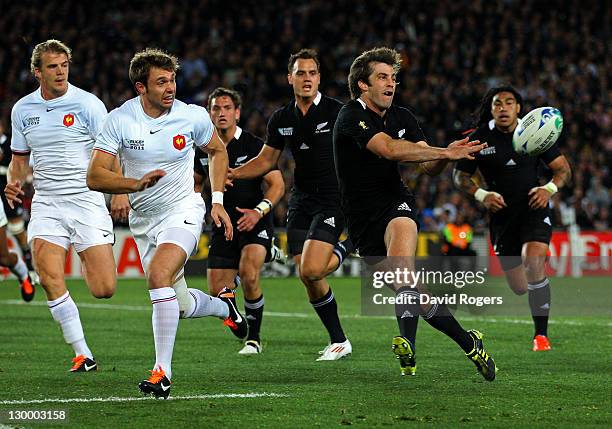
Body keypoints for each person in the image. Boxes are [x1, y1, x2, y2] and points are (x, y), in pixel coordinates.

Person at [87, 48, 246, 399]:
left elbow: (217, 152)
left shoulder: (190, 116)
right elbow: (95, 175)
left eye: (172, 79)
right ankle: (224, 307)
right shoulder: (120, 120)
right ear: (141, 87)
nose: (170, 87)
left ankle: (162, 373)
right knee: (181, 303)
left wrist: (216, 201)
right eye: (161, 82)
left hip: (183, 209)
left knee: (158, 276)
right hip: (145, 221)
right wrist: (129, 187)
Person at [333, 47, 496, 380]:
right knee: (418, 295)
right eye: (382, 77)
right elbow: (389, 149)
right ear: (363, 85)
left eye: (393, 77)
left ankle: (405, 340)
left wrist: (447, 156)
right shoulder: (351, 116)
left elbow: (427, 165)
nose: (391, 83)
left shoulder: (403, 117)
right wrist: (444, 151)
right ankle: (470, 343)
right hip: (362, 221)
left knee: (404, 272)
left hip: (396, 205)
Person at [229, 49, 353, 361]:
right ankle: (339, 340)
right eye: (301, 73)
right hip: (301, 200)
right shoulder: (282, 119)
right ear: (290, 78)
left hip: (333, 199)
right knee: (306, 274)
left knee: (312, 268)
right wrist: (232, 173)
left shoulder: (339, 112)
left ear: (319, 78)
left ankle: (349, 245)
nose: (307, 78)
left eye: (312, 73)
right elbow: (266, 161)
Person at [6, 39, 117, 372]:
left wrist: (122, 192)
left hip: (86, 200)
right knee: (48, 275)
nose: (60, 72)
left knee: (104, 289)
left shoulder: (88, 104)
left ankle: (87, 251)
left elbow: (112, 151)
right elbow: (18, 160)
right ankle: (83, 353)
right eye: (52, 67)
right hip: (48, 202)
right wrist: (15, 181)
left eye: (64, 65)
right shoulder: (23, 110)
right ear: (37, 71)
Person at [453, 85, 572, 351]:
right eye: (497, 103)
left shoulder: (535, 133)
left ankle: (541, 336)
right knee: (519, 286)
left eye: (509, 103)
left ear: (519, 108)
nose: (503, 108)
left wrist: (548, 189)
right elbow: (459, 176)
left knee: (533, 263)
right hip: (502, 218)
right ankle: (538, 262)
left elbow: (563, 170)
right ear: (491, 108)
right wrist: (482, 194)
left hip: (533, 208)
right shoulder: (480, 138)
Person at [194, 87, 285, 355]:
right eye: (216, 108)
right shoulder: (203, 148)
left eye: (226, 108)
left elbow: (277, 185)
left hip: (254, 220)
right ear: (209, 113)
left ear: (237, 113)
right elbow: (196, 184)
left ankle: (254, 339)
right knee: (217, 290)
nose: (221, 113)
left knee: (248, 273)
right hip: (223, 225)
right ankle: (237, 318)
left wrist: (259, 211)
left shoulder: (254, 145)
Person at [0, 121, 38, 286]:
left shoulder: (10, 141)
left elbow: (20, 164)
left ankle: (30, 269)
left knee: (18, 231)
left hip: (8, 193)